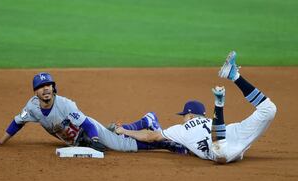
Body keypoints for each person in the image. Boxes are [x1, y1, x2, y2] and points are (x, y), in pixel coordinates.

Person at [115, 51, 277, 163]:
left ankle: (219, 104)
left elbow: (151, 136)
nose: (183, 117)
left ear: (191, 116)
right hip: (232, 133)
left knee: (221, 153)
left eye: (184, 115)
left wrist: (125, 131)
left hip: (220, 147)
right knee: (269, 109)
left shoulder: (181, 129)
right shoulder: (205, 121)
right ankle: (234, 75)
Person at [0, 72, 188, 154]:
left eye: (49, 85)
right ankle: (146, 120)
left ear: (53, 88)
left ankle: (165, 144)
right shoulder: (32, 107)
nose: (46, 89)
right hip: (76, 140)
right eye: (41, 87)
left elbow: (88, 126)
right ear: (35, 92)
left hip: (87, 131)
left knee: (120, 145)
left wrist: (93, 140)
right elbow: (17, 122)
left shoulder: (65, 105)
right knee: (111, 133)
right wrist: (0, 141)